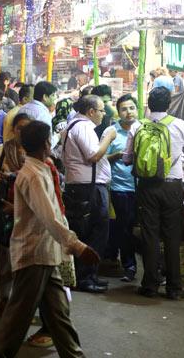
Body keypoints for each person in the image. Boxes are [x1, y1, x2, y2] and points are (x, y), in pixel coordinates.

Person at [0, 121, 101, 358]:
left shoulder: (38, 169)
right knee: (17, 319)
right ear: (46, 143)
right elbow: (50, 217)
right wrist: (78, 246)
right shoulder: (33, 175)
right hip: (35, 254)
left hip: (45, 253)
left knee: (59, 317)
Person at [123, 87, 184, 300]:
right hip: (172, 186)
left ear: (148, 104)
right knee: (172, 235)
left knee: (149, 234)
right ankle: (174, 287)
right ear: (169, 104)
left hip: (146, 187)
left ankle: (150, 285)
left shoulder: (137, 126)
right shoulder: (179, 125)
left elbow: (127, 159)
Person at [61, 95, 116, 293]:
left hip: (83, 186)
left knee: (86, 230)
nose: (103, 114)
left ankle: (87, 275)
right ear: (91, 111)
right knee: (95, 232)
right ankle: (85, 278)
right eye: (101, 110)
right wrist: (108, 137)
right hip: (88, 188)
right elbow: (93, 155)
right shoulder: (83, 127)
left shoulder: (73, 125)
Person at [0, 113, 31, 315]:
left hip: (28, 212)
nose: (22, 132)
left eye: (27, 128)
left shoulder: (35, 151)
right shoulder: (3, 149)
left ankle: (19, 302)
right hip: (6, 211)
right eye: (19, 128)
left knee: (23, 262)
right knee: (5, 260)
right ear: (13, 129)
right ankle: (4, 299)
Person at [103, 94, 140, 283]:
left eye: (132, 108)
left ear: (137, 109)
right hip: (120, 188)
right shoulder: (112, 132)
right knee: (125, 228)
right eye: (124, 109)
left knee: (140, 229)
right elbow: (100, 158)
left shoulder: (143, 129)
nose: (128, 112)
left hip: (142, 189)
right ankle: (129, 266)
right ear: (118, 112)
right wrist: (116, 155)